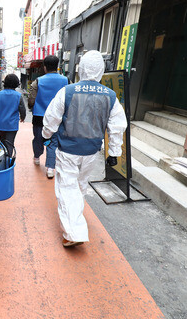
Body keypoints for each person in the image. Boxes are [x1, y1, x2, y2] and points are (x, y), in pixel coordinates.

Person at [42, 50, 127, 247]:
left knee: (67, 187)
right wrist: (114, 152)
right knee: (80, 185)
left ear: (81, 69)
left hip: (68, 149)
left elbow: (52, 118)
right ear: (101, 71)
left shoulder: (68, 91)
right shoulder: (110, 96)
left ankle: (74, 232)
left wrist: (46, 136)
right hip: (91, 151)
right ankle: (75, 217)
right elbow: (117, 126)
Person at [28, 55, 68, 178]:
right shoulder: (66, 80)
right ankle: (50, 168)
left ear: (45, 67)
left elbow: (31, 100)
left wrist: (31, 107)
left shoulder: (38, 81)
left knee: (38, 138)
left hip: (40, 116)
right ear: (57, 66)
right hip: (58, 116)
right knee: (53, 142)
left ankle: (37, 157)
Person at [0, 73, 26, 157]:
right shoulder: (18, 96)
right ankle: (8, 161)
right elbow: (22, 109)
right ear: (16, 83)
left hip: (0, 124)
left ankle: (2, 160)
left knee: (2, 143)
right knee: (10, 143)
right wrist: (22, 117)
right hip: (12, 125)